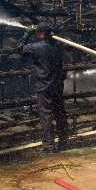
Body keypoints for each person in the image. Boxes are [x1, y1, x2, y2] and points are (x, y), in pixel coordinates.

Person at [17, 22, 69, 153]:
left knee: (46, 116)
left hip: (44, 86)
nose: (35, 34)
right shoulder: (57, 45)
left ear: (42, 34)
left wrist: (26, 35)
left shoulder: (36, 47)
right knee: (60, 114)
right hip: (57, 85)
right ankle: (64, 142)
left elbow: (20, 49)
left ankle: (49, 146)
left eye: (36, 32)